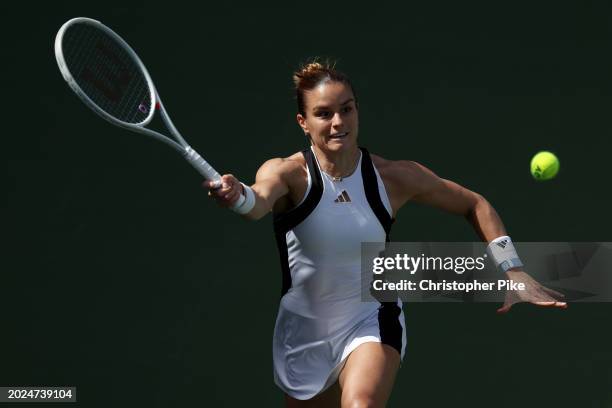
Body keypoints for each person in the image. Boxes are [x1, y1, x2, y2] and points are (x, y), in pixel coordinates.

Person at [206, 61, 567, 407]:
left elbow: (474, 204)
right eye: (324, 113)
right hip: (304, 332)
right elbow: (256, 202)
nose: (337, 122)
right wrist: (238, 196)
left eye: (346, 110)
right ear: (303, 122)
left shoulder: (392, 177)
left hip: (371, 315)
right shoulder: (288, 174)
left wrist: (513, 269)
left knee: (361, 404)